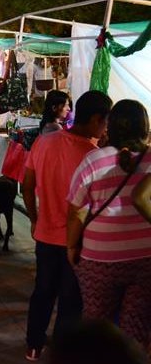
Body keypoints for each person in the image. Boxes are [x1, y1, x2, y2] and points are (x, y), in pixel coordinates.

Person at [22, 90, 113, 361]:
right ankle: (61, 352)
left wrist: (35, 218)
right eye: (106, 121)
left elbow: (27, 186)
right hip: (78, 243)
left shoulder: (44, 142)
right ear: (97, 120)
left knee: (43, 292)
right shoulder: (95, 157)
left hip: (45, 236)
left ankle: (33, 346)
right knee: (70, 301)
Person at [66, 99, 151, 354]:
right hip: (145, 257)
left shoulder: (94, 160)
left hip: (98, 258)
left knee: (96, 326)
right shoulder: (149, 160)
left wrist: (71, 246)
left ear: (110, 126)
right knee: (135, 330)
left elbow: (76, 211)